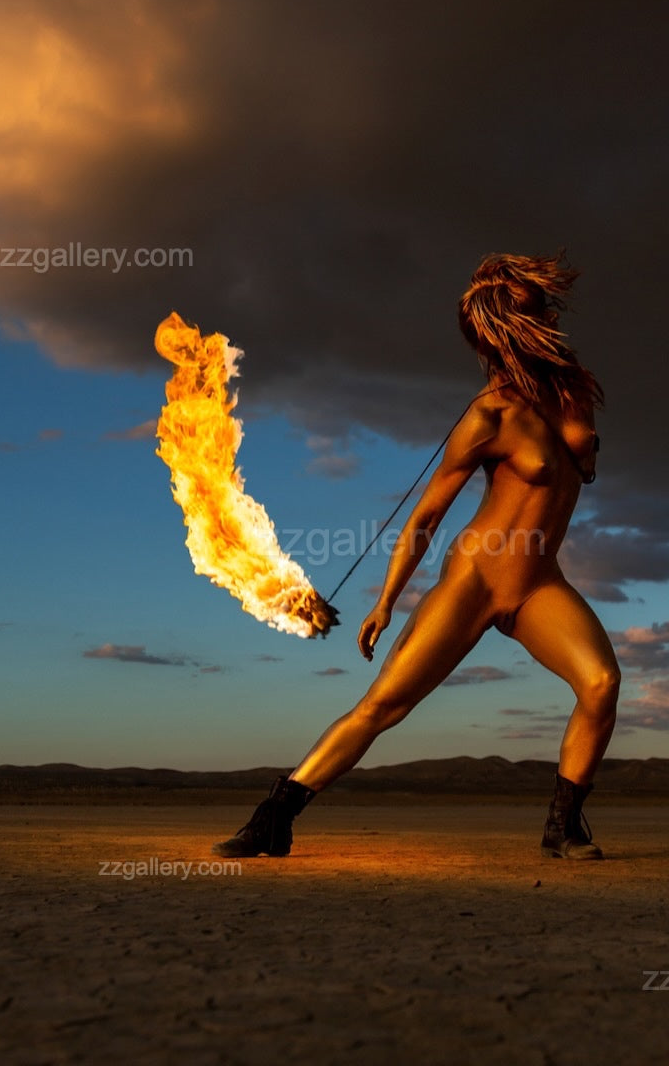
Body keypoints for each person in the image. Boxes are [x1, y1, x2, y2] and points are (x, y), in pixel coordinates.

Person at [212, 251, 621, 860]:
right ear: (510, 329)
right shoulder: (490, 413)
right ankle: (275, 815)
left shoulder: (572, 392)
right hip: (475, 577)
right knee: (384, 706)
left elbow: (573, 465)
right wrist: (385, 601)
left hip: (538, 583)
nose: (550, 319)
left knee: (601, 683)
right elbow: (425, 516)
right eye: (534, 310)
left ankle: (563, 826)